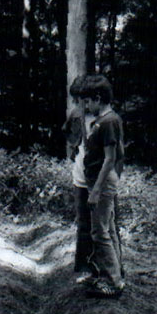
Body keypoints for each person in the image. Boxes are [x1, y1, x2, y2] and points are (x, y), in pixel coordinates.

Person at [80, 74, 125, 298]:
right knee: (109, 228)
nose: (86, 106)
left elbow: (111, 158)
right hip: (99, 179)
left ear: (98, 98)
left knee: (100, 232)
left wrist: (96, 190)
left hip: (102, 181)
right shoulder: (103, 121)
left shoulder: (109, 121)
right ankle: (115, 274)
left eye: (88, 101)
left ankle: (112, 282)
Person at [62, 75, 96, 282]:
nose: (80, 104)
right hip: (81, 177)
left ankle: (105, 268)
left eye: (83, 99)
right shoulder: (76, 116)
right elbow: (69, 137)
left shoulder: (106, 119)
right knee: (84, 223)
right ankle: (83, 265)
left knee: (103, 225)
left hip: (99, 179)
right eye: (77, 100)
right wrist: (74, 152)